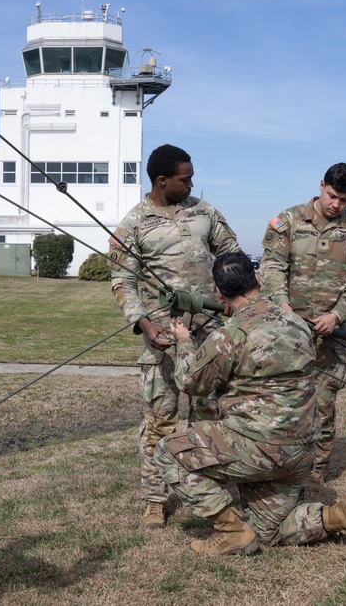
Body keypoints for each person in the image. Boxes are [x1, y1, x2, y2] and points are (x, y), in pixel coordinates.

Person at [153, 252, 346, 555]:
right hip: (302, 451)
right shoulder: (296, 322)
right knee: (266, 532)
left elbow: (191, 382)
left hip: (259, 449)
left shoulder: (229, 335)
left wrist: (184, 340)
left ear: (219, 293)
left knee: (168, 452)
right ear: (257, 280)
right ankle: (343, 513)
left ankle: (230, 531)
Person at [109, 144, 241, 528]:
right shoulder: (133, 225)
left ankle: (212, 487)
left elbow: (230, 254)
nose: (192, 184)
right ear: (162, 181)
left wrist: (236, 298)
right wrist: (144, 324)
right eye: (185, 179)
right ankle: (154, 498)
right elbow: (121, 280)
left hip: (210, 333)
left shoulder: (205, 212)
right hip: (162, 336)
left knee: (209, 414)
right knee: (160, 418)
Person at [259, 163, 346, 484]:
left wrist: (336, 315)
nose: (336, 205)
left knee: (323, 403)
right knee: (279, 400)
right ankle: (277, 463)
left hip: (330, 337)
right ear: (321, 184)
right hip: (285, 332)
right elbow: (271, 267)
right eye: (332, 196)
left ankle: (315, 472)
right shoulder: (288, 221)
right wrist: (282, 306)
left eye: (345, 200)